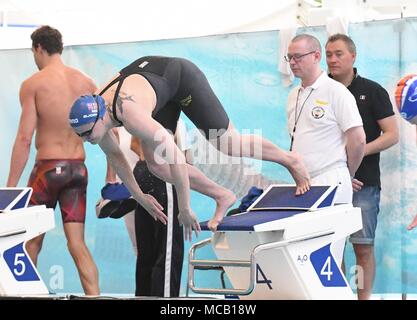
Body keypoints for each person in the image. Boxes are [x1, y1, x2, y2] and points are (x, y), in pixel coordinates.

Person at [68, 56, 311, 240]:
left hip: (180, 79)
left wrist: (185, 208)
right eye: (81, 135)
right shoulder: (96, 120)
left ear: (99, 118)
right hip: (156, 92)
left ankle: (289, 159)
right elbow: (116, 158)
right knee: (156, 166)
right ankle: (222, 195)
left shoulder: (130, 116)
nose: (87, 139)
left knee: (227, 143)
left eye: (88, 133)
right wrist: (140, 198)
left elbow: (175, 156)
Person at [6, 25, 99, 295]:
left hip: (47, 172)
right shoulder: (86, 81)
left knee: (30, 243)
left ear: (38, 48)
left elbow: (24, 138)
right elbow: (108, 131)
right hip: (77, 170)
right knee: (77, 244)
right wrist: (112, 177)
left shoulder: (34, 84)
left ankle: (23, 295)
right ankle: (95, 296)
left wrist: (12, 188)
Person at [325, 33, 399, 300]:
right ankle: (338, 296)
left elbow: (392, 134)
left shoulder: (373, 91)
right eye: (328, 54)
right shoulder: (318, 92)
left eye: (338, 54)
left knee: (363, 248)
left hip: (363, 184)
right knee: (330, 249)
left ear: (353, 56)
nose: (332, 59)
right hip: (327, 186)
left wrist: (355, 156)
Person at [285, 34, 366, 264]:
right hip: (304, 184)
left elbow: (358, 139)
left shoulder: (336, 92)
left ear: (316, 56)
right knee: (304, 258)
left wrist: (347, 173)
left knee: (327, 258)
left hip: (331, 178)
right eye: (289, 57)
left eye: (298, 57)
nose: (292, 62)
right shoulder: (293, 96)